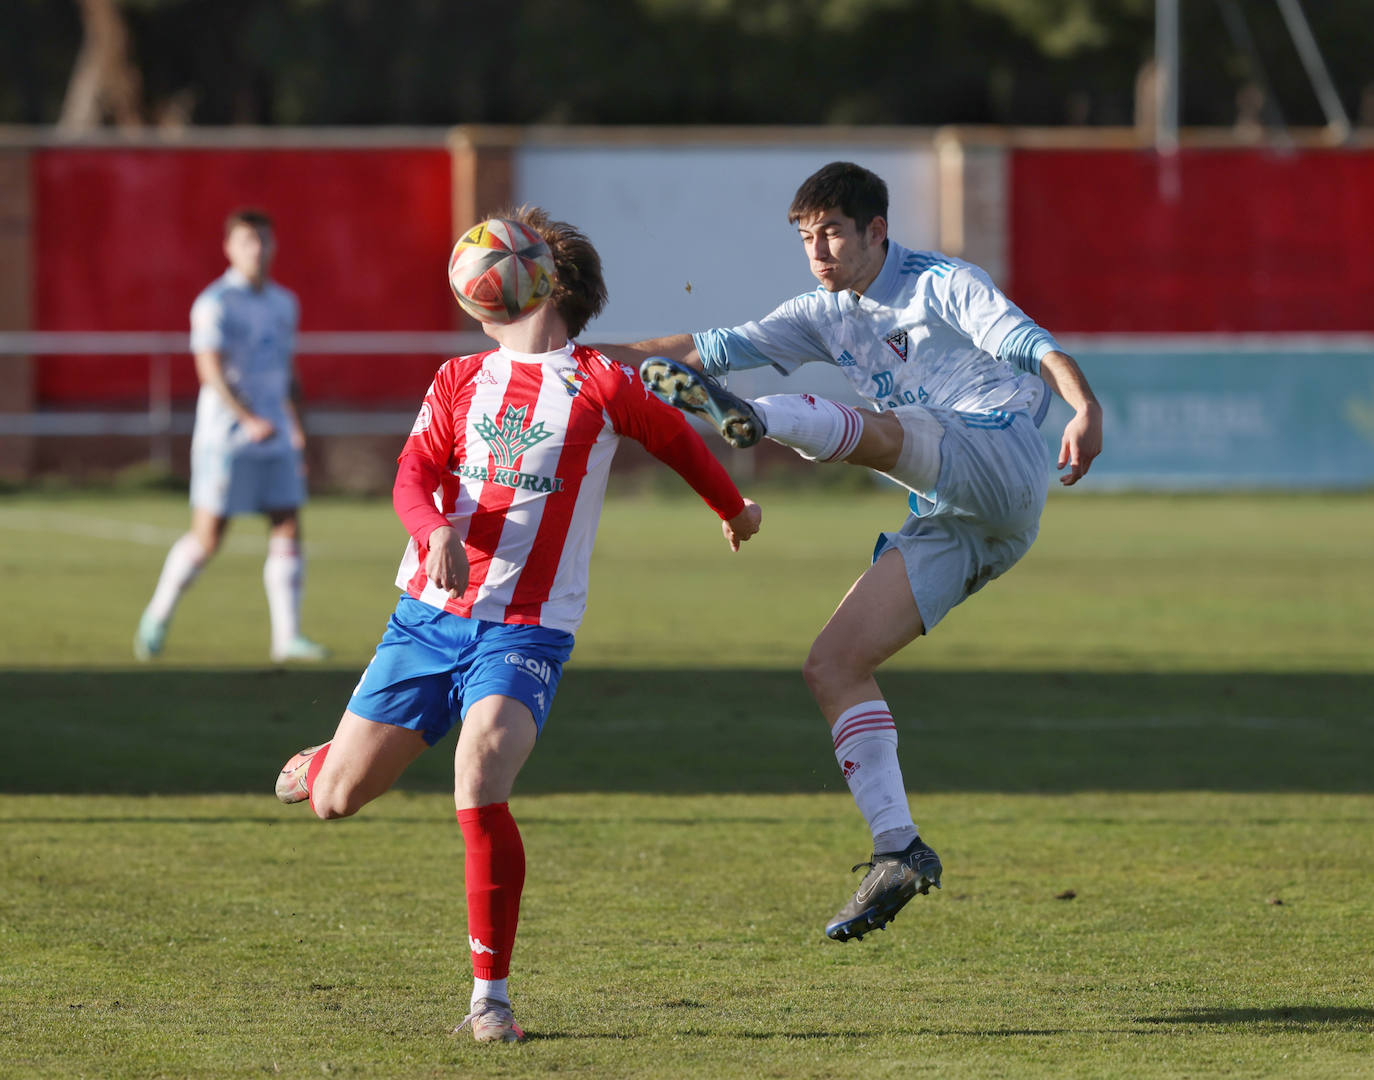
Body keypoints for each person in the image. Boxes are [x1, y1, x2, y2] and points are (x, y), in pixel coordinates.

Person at [273, 208, 762, 1044]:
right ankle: (328, 760)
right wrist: (434, 534)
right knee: (336, 801)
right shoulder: (459, 378)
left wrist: (733, 506)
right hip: (427, 620)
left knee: (482, 766)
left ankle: (489, 999)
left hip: (527, 627)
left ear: (543, 282)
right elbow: (412, 476)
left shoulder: (603, 383)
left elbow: (678, 441)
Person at [595, 161, 1102, 943]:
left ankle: (754, 421)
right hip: (963, 516)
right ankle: (898, 849)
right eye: (806, 236)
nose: (819, 250)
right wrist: (569, 360)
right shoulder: (820, 309)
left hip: (1003, 454)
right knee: (832, 664)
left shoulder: (944, 284)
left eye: (832, 231)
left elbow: (1035, 348)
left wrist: (1084, 406)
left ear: (877, 229)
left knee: (881, 431)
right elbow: (702, 344)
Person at [134, 208, 327, 664]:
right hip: (226, 437)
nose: (257, 250)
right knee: (208, 536)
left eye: (263, 240)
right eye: (247, 241)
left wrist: (296, 426)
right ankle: (157, 615)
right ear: (229, 248)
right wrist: (248, 418)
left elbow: (287, 371)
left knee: (287, 522)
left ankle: (287, 638)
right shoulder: (214, 302)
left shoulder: (284, 303)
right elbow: (210, 372)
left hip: (275, 435)